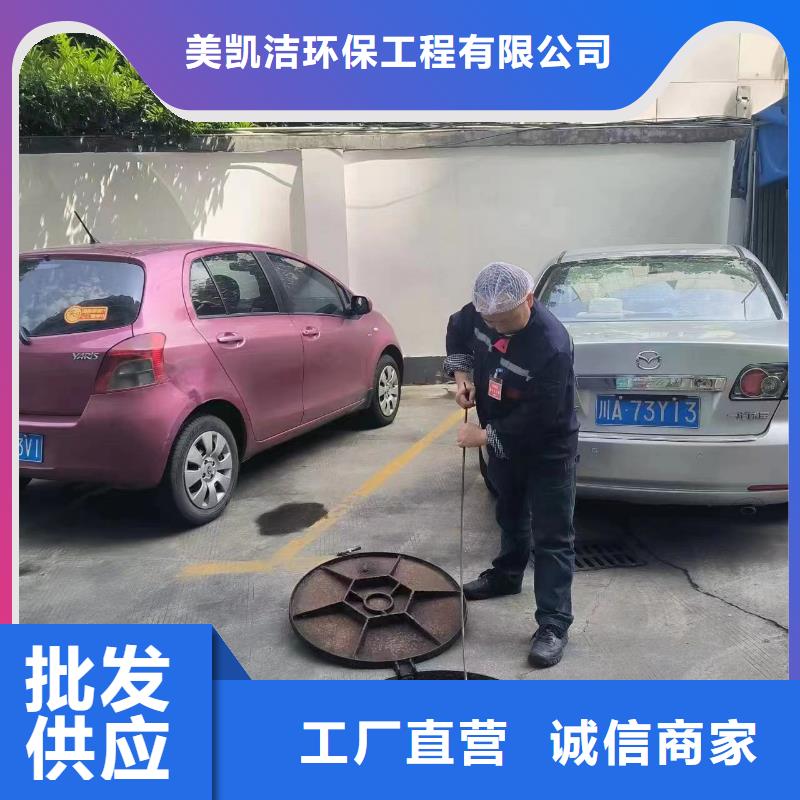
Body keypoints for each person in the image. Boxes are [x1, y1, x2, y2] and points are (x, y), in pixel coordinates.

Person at [444, 261, 579, 668]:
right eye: (490, 321)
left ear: (529, 300)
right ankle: (507, 575)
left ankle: (553, 623)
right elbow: (458, 329)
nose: (497, 328)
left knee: (552, 535)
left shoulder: (551, 345)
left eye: (505, 320)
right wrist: (463, 377)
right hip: (502, 434)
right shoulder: (482, 313)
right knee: (509, 510)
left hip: (548, 447)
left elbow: (541, 418)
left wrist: (484, 436)